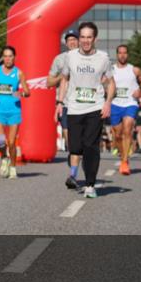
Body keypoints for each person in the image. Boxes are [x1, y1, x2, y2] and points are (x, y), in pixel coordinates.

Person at [47, 22, 114, 199]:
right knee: (75, 147)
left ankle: (90, 185)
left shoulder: (103, 58)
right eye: (82, 37)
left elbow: (110, 82)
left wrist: (108, 102)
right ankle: (78, 171)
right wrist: (60, 102)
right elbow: (65, 80)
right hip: (74, 108)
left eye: (89, 37)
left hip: (95, 107)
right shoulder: (70, 57)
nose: (85, 41)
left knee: (91, 146)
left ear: (95, 39)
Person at [0, 46, 30, 180]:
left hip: (14, 111)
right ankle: (4, 158)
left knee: (12, 142)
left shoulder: (19, 73)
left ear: (15, 57)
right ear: (3, 58)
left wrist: (21, 93)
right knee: (1, 141)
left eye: (10, 56)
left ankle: (13, 168)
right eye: (5, 56)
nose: (8, 59)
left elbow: (28, 91)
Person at [109, 45, 141, 175]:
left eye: (125, 53)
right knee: (117, 135)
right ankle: (123, 155)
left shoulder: (134, 70)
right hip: (115, 104)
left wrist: (140, 91)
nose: (123, 55)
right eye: (120, 53)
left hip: (130, 103)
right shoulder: (111, 69)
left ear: (127, 55)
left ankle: (124, 162)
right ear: (117, 54)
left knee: (127, 129)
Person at [54, 31, 80, 175]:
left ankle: (74, 170)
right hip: (66, 104)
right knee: (68, 136)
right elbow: (49, 81)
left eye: (74, 39)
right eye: (69, 40)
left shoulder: (86, 57)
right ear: (65, 43)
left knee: (80, 139)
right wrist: (62, 77)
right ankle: (73, 153)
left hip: (82, 104)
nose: (72, 42)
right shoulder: (59, 59)